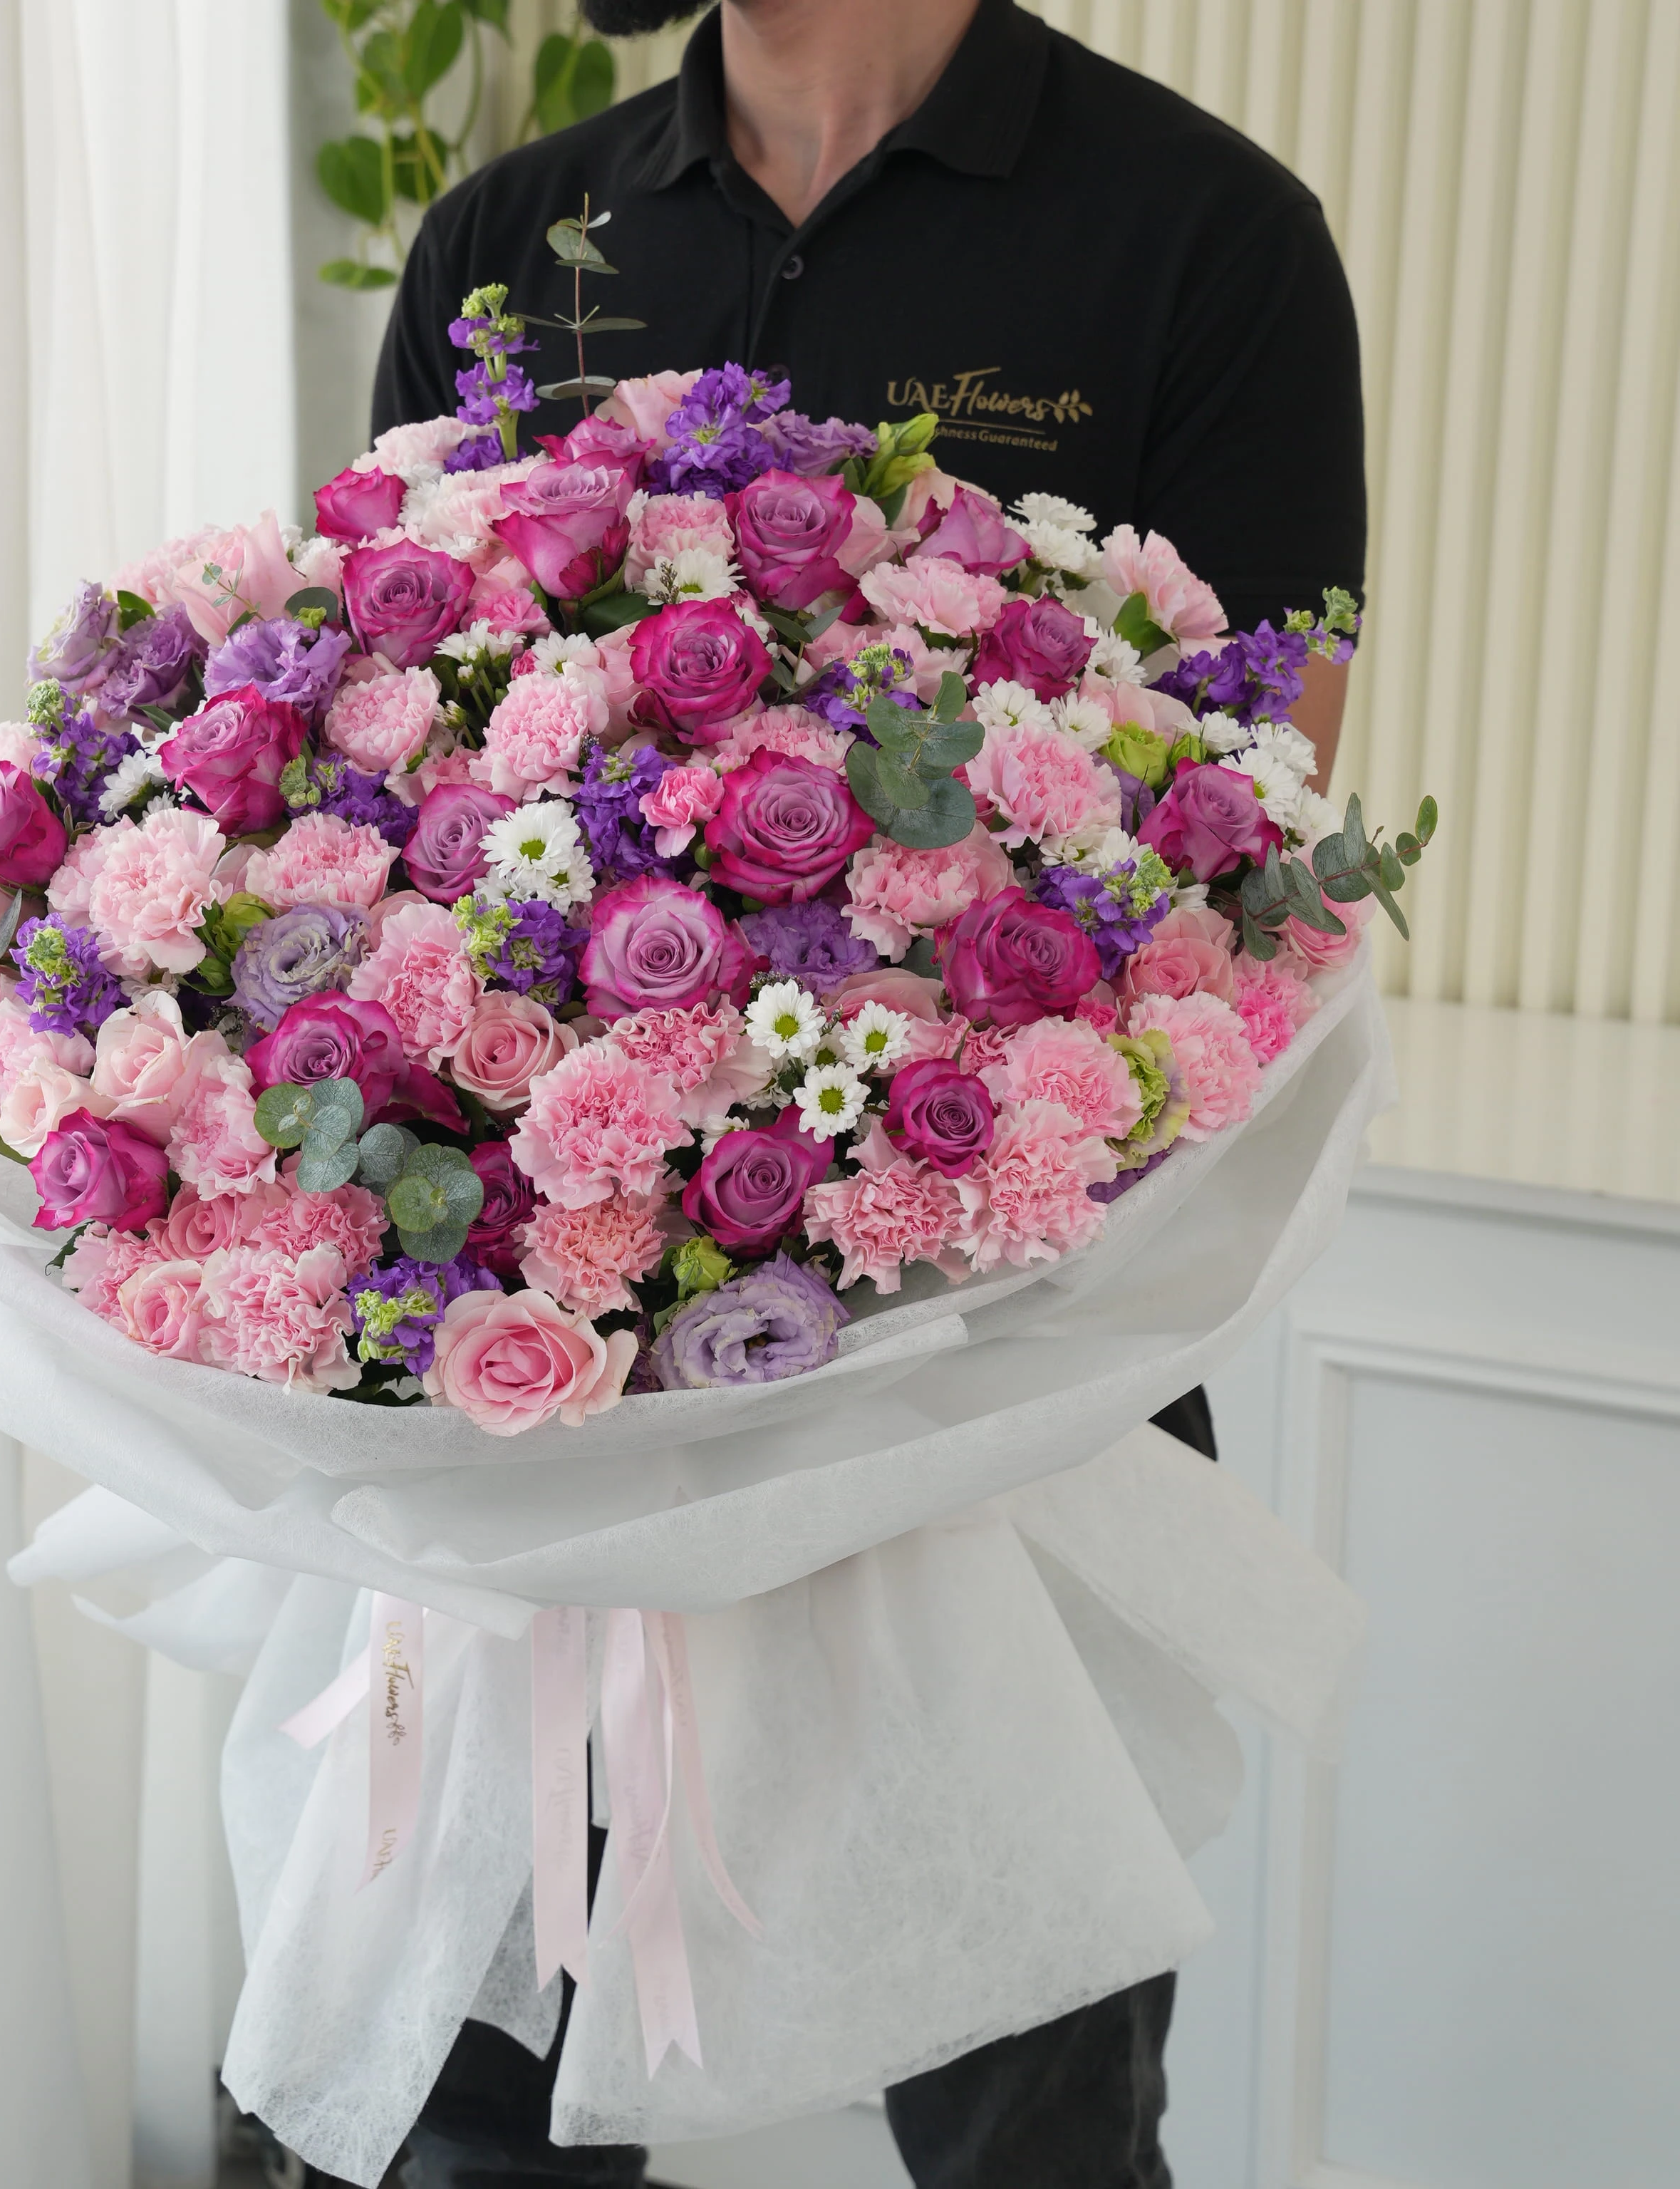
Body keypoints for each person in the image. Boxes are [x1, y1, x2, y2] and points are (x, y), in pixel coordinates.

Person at [359, 4, 1364, 2182]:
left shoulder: (1202, 237)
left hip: (991, 1411)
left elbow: (1249, 869)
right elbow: (385, 784)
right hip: (553, 1416)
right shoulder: (516, 242)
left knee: (1032, 2130)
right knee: (474, 2115)